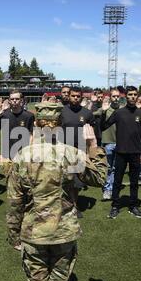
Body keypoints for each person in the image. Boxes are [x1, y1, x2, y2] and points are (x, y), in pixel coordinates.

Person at [6, 101, 107, 281]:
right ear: (60, 123)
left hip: (33, 233)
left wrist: (13, 235)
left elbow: (14, 202)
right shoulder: (72, 153)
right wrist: (93, 145)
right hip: (63, 232)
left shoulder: (21, 156)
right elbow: (99, 178)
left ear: (36, 123)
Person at [100, 86, 141, 219]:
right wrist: (104, 112)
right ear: (125, 96)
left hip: (135, 153)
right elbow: (103, 126)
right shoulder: (119, 113)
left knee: (134, 182)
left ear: (137, 96)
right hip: (120, 152)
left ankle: (133, 206)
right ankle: (115, 206)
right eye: (130, 94)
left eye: (135, 94)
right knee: (117, 181)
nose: (132, 97)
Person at [60, 86, 95, 218]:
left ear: (81, 97)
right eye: (73, 96)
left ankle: (74, 206)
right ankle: (65, 206)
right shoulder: (62, 111)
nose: (75, 98)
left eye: (77, 96)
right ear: (69, 96)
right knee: (64, 181)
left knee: (77, 182)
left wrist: (90, 153)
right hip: (63, 151)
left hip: (80, 152)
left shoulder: (87, 113)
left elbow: (92, 134)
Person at [0, 90, 35, 174]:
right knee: (9, 181)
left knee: (23, 181)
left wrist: (28, 151)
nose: (14, 101)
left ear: (21, 100)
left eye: (17, 99)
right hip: (7, 156)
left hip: (23, 155)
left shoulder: (29, 116)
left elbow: (31, 135)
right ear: (9, 100)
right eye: (12, 99)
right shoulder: (4, 115)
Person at [99, 89, 121, 200]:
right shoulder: (106, 109)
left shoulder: (123, 109)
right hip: (108, 143)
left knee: (116, 168)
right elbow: (90, 113)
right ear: (110, 97)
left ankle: (112, 189)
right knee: (108, 168)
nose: (116, 98)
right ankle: (107, 189)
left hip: (121, 143)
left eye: (118, 96)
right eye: (114, 96)